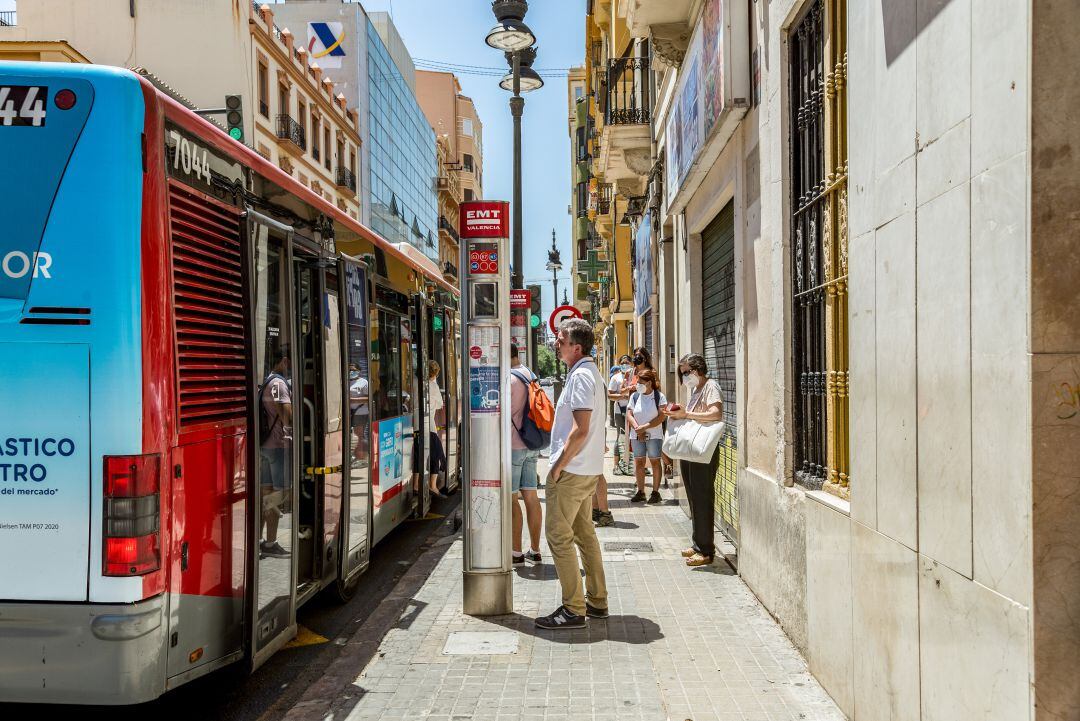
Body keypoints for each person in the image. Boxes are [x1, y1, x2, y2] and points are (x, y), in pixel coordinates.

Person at [536, 318, 609, 630]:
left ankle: (573, 609)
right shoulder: (590, 374)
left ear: (576, 347)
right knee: (584, 535)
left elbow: (580, 430)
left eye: (561, 339)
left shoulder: (581, 377)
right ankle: (597, 600)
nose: (556, 343)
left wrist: (557, 466)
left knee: (557, 536)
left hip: (573, 471)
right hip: (586, 470)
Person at [665, 353, 724, 567]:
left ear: (697, 369)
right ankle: (698, 544)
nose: (684, 377)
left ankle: (706, 550)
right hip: (693, 450)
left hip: (704, 450)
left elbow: (716, 414)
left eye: (686, 372)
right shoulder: (696, 390)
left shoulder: (711, 387)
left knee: (702, 497)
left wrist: (686, 414)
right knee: (693, 496)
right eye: (682, 374)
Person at [509, 343, 542, 564]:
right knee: (531, 496)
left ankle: (516, 552)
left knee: (512, 499)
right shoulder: (531, 375)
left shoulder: (508, 379)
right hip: (532, 444)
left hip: (513, 446)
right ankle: (536, 549)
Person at [260, 348, 293, 559]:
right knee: (277, 496)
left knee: (267, 494)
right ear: (283, 361)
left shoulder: (265, 381)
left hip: (265, 446)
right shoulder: (279, 384)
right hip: (277, 446)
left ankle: (263, 541)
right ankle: (270, 543)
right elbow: (287, 415)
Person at [626, 368, 667, 504]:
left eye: (641, 382)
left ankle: (655, 492)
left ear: (649, 382)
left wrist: (645, 427)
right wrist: (638, 428)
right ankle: (641, 491)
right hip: (637, 434)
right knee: (639, 462)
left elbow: (662, 416)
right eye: (638, 381)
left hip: (654, 435)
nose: (637, 384)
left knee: (655, 461)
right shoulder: (635, 396)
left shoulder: (659, 396)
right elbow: (629, 414)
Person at [608, 354, 632, 475]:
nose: (625, 364)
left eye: (627, 362)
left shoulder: (635, 377)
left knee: (633, 439)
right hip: (620, 411)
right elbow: (610, 395)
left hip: (634, 412)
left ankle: (631, 465)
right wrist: (623, 396)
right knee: (620, 437)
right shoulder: (616, 378)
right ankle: (616, 465)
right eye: (622, 363)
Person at [426, 360, 447, 497]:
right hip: (430, 426)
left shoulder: (418, 383)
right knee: (437, 454)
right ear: (436, 374)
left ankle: (432, 484)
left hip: (422, 426)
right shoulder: (432, 386)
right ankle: (433, 486)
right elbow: (440, 404)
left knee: (436, 452)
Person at [349, 362, 369, 464]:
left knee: (359, 435)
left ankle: (361, 458)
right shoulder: (345, 381)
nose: (351, 372)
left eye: (353, 370)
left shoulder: (363, 382)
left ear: (359, 371)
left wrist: (353, 400)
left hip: (360, 412)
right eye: (349, 370)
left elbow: (368, 398)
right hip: (349, 413)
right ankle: (355, 456)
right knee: (352, 437)